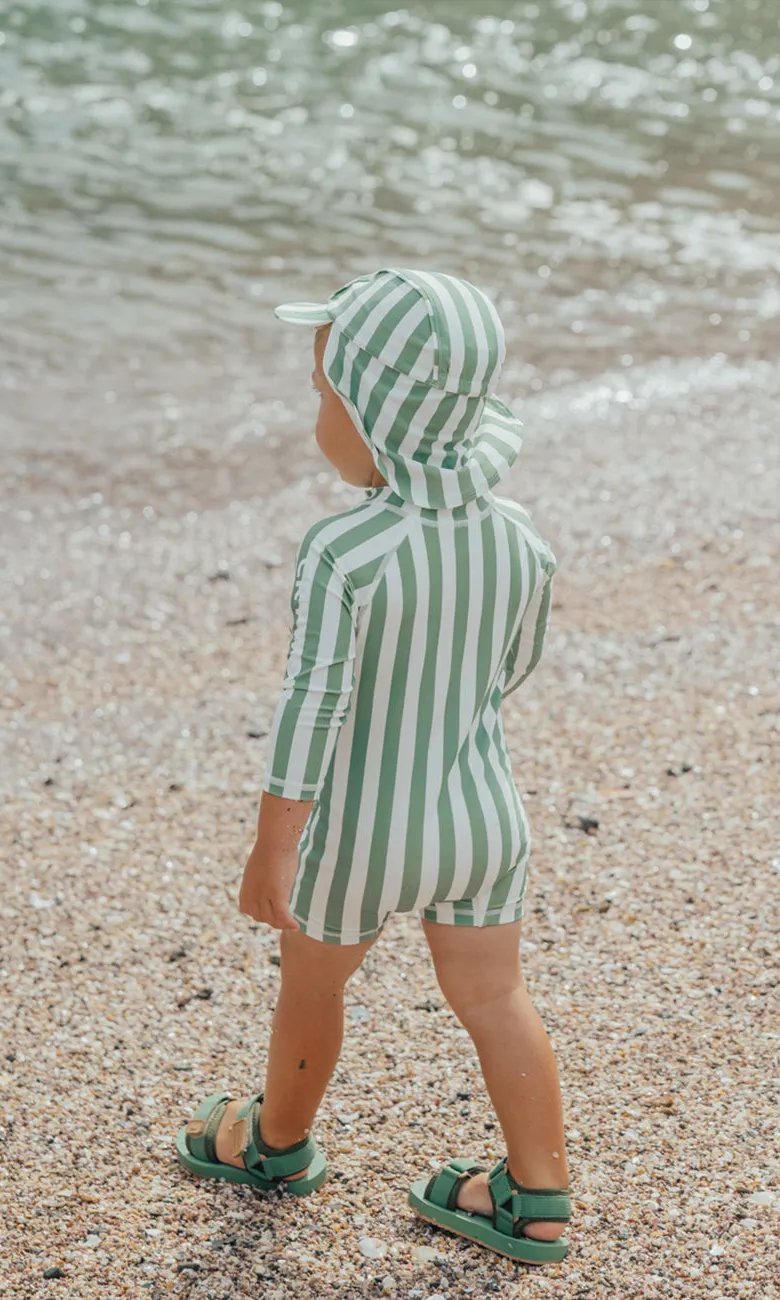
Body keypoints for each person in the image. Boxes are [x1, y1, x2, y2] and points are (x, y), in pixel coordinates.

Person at [175, 269, 570, 1265]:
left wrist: (273, 844)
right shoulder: (518, 536)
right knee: (494, 997)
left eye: (324, 397)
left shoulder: (346, 550)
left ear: (372, 414)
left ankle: (274, 1144)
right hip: (482, 811)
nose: (317, 416)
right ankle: (537, 1198)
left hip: (360, 829)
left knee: (311, 984)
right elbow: (513, 666)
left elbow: (314, 705)